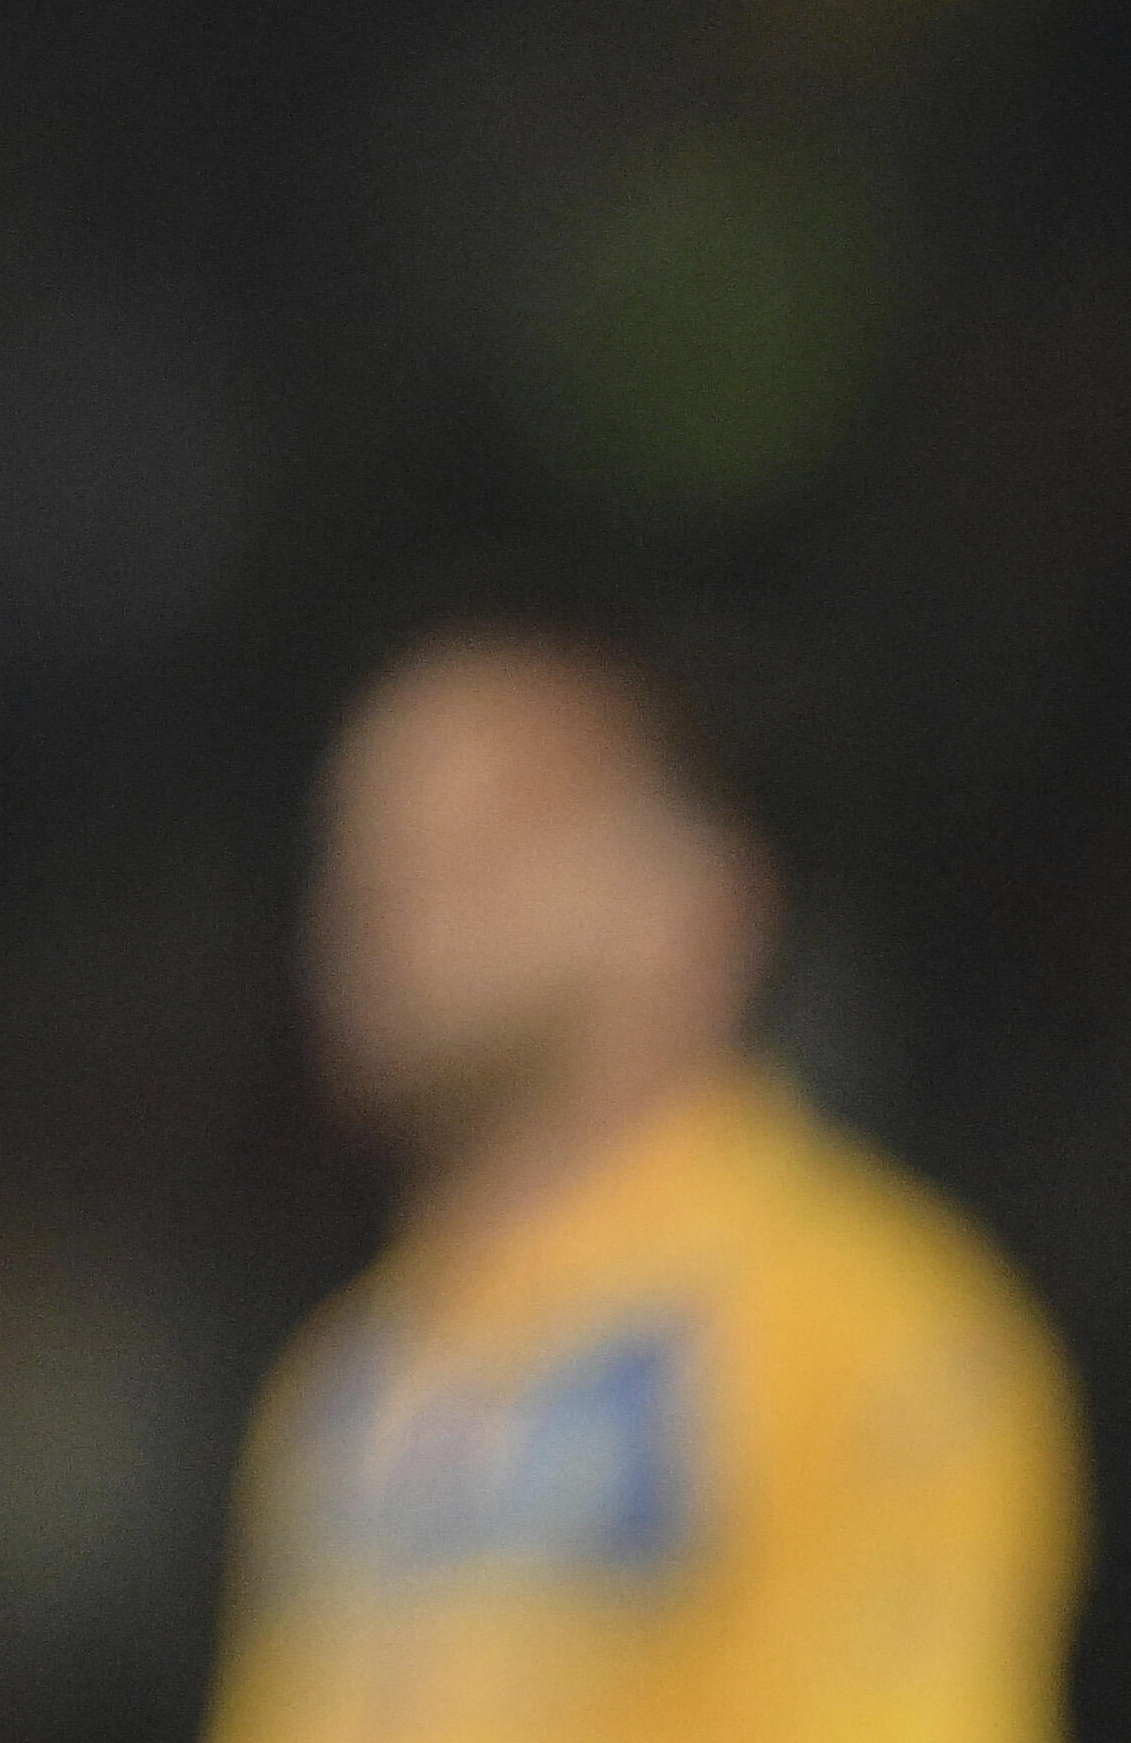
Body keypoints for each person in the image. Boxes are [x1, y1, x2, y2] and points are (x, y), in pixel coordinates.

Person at [204, 626, 1087, 1742]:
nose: (391, 889)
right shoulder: (350, 1379)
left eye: (492, 832)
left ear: (695, 902)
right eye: (361, 839)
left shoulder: (863, 1322)